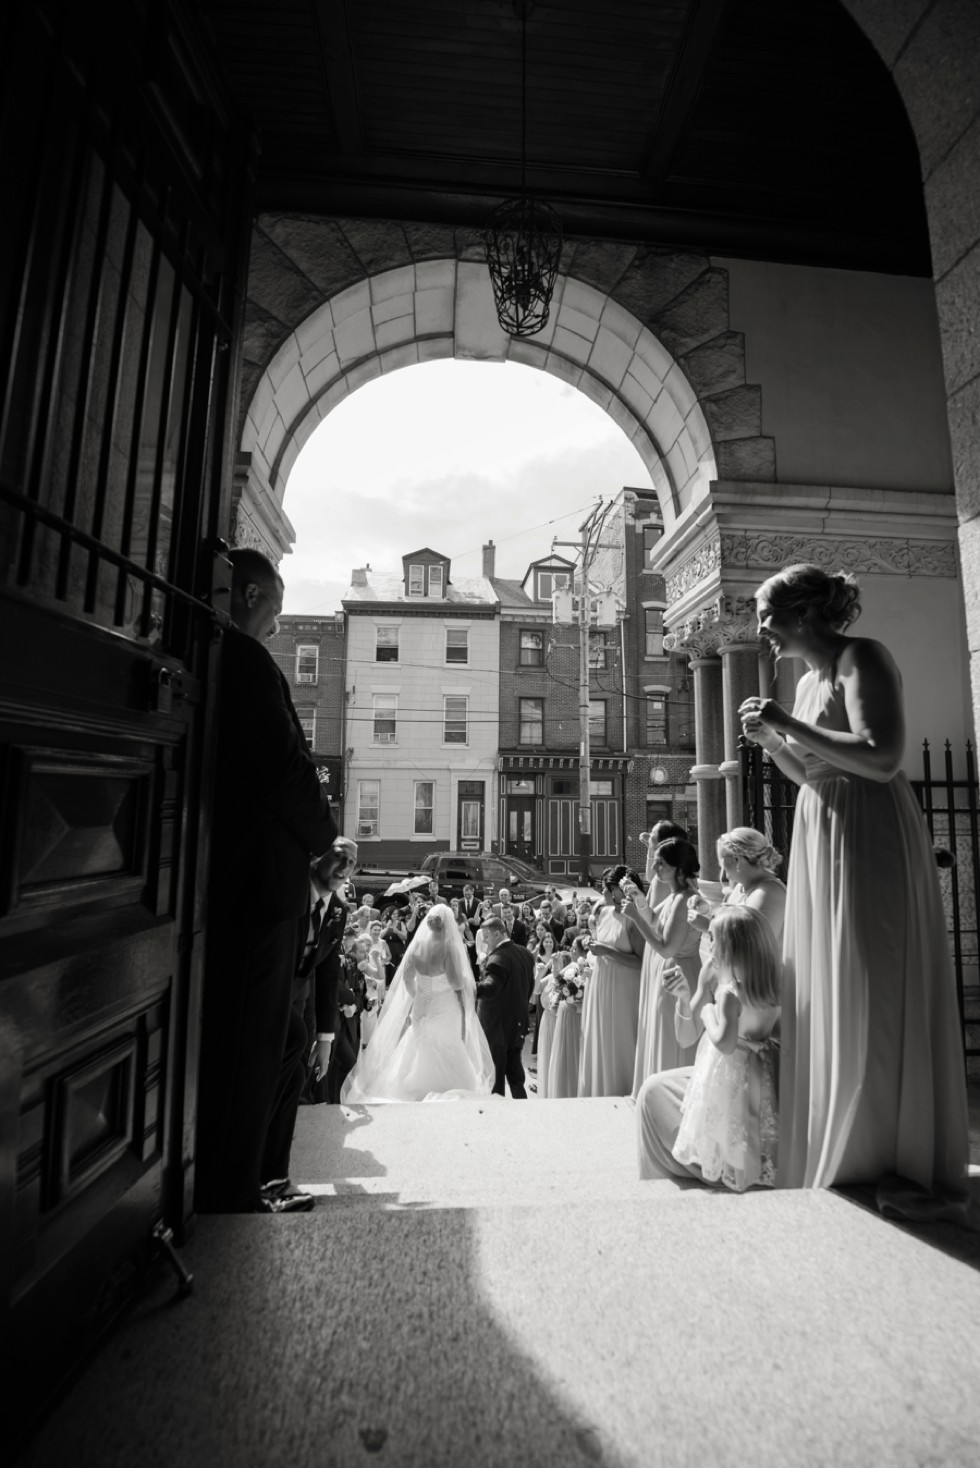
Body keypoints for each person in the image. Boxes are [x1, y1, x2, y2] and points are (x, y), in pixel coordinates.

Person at [740, 562, 968, 1217]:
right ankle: (856, 1151)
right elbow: (814, 773)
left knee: (877, 984)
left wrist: (788, 721)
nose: (762, 628)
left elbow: (880, 754)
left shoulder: (861, 658)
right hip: (826, 827)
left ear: (804, 615)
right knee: (836, 985)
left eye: (767, 614)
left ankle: (906, 1160)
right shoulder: (808, 682)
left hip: (870, 831)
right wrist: (772, 742)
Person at [197, 548, 338, 1215]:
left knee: (274, 1039)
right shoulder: (244, 660)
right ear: (249, 592)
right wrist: (325, 841)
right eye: (276, 607)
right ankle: (234, 1186)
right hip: (256, 888)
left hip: (257, 880)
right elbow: (287, 767)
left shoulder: (222, 656)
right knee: (254, 1040)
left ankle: (260, 1176)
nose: (278, 624)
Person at [666, 907, 780, 1191]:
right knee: (755, 1125)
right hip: (762, 1068)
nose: (709, 943)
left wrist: (707, 1013)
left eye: (714, 939)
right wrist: (683, 998)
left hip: (727, 1071)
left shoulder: (730, 993)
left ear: (731, 946)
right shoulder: (774, 987)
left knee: (728, 1127)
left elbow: (726, 1043)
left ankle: (729, 1178)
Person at [341, 905, 494, 1102]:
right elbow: (456, 983)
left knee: (419, 1042)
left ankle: (412, 1086)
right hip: (445, 1006)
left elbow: (406, 979)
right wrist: (467, 980)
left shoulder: (417, 946)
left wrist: (420, 994)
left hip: (422, 1005)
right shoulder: (449, 948)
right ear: (447, 925)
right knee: (447, 1043)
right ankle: (447, 1085)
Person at [625, 838, 702, 1097]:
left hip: (680, 974)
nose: (655, 867)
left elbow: (667, 947)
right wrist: (638, 899)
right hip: (668, 973)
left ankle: (671, 1099)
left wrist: (635, 919)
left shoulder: (685, 900)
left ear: (678, 868)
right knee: (661, 1035)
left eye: (661, 863)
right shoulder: (674, 896)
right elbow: (655, 919)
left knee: (672, 1039)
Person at [577, 866, 646, 1097]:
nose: (603, 894)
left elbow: (641, 961)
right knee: (602, 1041)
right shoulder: (605, 912)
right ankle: (600, 1092)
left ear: (618, 890)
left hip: (624, 990)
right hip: (601, 985)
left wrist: (606, 950)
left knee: (621, 1042)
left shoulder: (634, 917)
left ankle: (624, 1091)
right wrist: (593, 944)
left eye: (606, 889)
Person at [687, 828, 786, 941]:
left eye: (723, 865)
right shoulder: (742, 887)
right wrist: (706, 910)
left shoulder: (767, 893)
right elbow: (731, 925)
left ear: (737, 859)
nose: (723, 872)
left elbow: (750, 947)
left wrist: (708, 927)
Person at [477, 916, 536, 1097]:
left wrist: (468, 987)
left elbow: (491, 988)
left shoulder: (496, 958)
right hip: (517, 1023)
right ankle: (522, 1109)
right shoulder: (525, 952)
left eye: (486, 936)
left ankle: (498, 1118)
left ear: (497, 933)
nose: (485, 941)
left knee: (496, 1078)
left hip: (497, 1027)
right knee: (516, 1075)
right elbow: (529, 986)